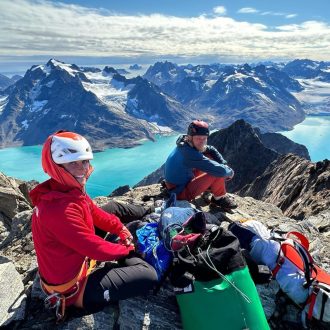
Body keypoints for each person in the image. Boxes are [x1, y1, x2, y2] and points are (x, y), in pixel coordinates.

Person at [30, 131, 158, 319]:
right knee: (149, 276)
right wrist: (127, 249)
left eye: (84, 161)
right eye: (73, 163)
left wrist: (119, 228)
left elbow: (94, 212)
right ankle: (131, 257)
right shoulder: (59, 210)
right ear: (57, 166)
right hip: (72, 289)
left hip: (74, 263)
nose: (82, 168)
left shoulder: (65, 189)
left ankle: (140, 226)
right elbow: (95, 249)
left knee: (115, 212)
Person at [164, 120, 237, 210]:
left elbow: (210, 149)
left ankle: (210, 187)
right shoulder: (190, 154)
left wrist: (223, 163)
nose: (202, 142)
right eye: (198, 138)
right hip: (179, 192)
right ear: (190, 137)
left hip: (175, 184)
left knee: (209, 157)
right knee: (217, 172)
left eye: (204, 138)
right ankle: (218, 198)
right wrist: (230, 172)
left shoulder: (185, 143)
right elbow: (221, 171)